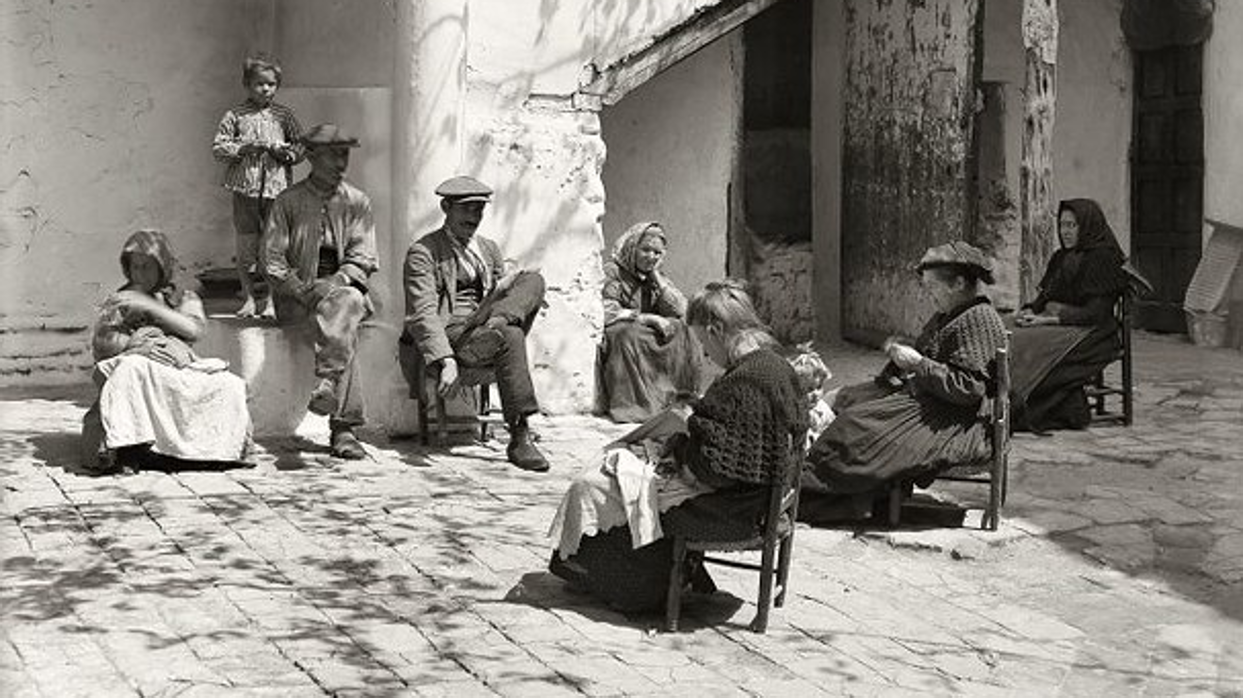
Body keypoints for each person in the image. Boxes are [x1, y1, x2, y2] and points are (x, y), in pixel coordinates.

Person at [548, 280, 807, 613]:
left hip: (734, 509)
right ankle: (669, 574)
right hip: (759, 497)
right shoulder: (775, 365)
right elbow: (739, 438)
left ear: (715, 331)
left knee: (600, 487)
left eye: (703, 342)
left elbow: (711, 471)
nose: (705, 354)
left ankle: (635, 588)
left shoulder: (744, 382)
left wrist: (685, 435)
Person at [799, 241, 1007, 523]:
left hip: (961, 422)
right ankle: (843, 490)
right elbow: (927, 355)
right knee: (846, 398)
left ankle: (817, 495)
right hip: (937, 402)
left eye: (932, 287)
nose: (928, 295)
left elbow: (969, 388)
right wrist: (901, 359)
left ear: (958, 284)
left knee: (856, 426)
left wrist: (918, 364)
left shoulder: (979, 319)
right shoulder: (950, 315)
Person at [401, 175, 551, 472]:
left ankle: (499, 322)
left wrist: (500, 299)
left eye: (479, 209)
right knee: (509, 334)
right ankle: (520, 434)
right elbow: (423, 313)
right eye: (466, 209)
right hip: (451, 333)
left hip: (487, 326)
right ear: (446, 207)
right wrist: (446, 360)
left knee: (533, 280)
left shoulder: (488, 249)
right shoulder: (424, 252)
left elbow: (503, 292)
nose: (474, 216)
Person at [82, 230, 252, 472]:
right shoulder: (122, 299)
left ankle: (215, 451)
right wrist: (134, 342)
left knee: (228, 384)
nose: (139, 273)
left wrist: (151, 307)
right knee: (130, 370)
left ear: (162, 267)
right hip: (143, 365)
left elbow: (194, 330)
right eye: (135, 267)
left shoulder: (182, 296)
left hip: (178, 368)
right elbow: (103, 346)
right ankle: (130, 449)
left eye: (147, 267)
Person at [261, 123, 376, 460]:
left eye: (345, 155)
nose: (341, 162)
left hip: (341, 290)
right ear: (311, 156)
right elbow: (271, 259)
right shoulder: (288, 201)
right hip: (296, 300)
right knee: (345, 321)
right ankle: (344, 428)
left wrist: (334, 283)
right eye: (333, 155)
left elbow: (364, 257)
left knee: (348, 302)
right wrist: (300, 289)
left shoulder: (358, 202)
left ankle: (327, 383)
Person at [1011, 198, 1131, 431]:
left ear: (1087, 226)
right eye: (1062, 225)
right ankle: (1002, 400)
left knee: (1024, 341)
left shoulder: (1103, 258)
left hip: (1093, 334)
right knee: (1007, 329)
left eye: (1072, 226)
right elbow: (1044, 297)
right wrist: (1030, 310)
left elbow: (1095, 313)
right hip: (1062, 324)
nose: (1065, 231)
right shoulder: (1062, 257)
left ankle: (1024, 405)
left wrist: (1046, 320)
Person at [212, 53, 303, 319]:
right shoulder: (236, 115)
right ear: (247, 85)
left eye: (271, 84)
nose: (265, 89)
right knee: (246, 244)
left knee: (273, 246)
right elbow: (218, 147)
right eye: (259, 84)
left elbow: (301, 144)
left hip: (276, 191)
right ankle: (249, 297)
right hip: (245, 191)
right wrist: (243, 148)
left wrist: (286, 154)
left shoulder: (283, 116)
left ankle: (273, 301)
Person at [597, 221, 701, 422]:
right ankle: (634, 406)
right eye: (645, 250)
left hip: (646, 332)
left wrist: (657, 278)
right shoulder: (613, 271)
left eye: (657, 253)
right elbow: (605, 309)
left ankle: (677, 399)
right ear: (632, 248)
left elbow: (681, 310)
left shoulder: (656, 277)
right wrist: (646, 318)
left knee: (684, 329)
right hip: (622, 331)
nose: (651, 256)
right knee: (627, 334)